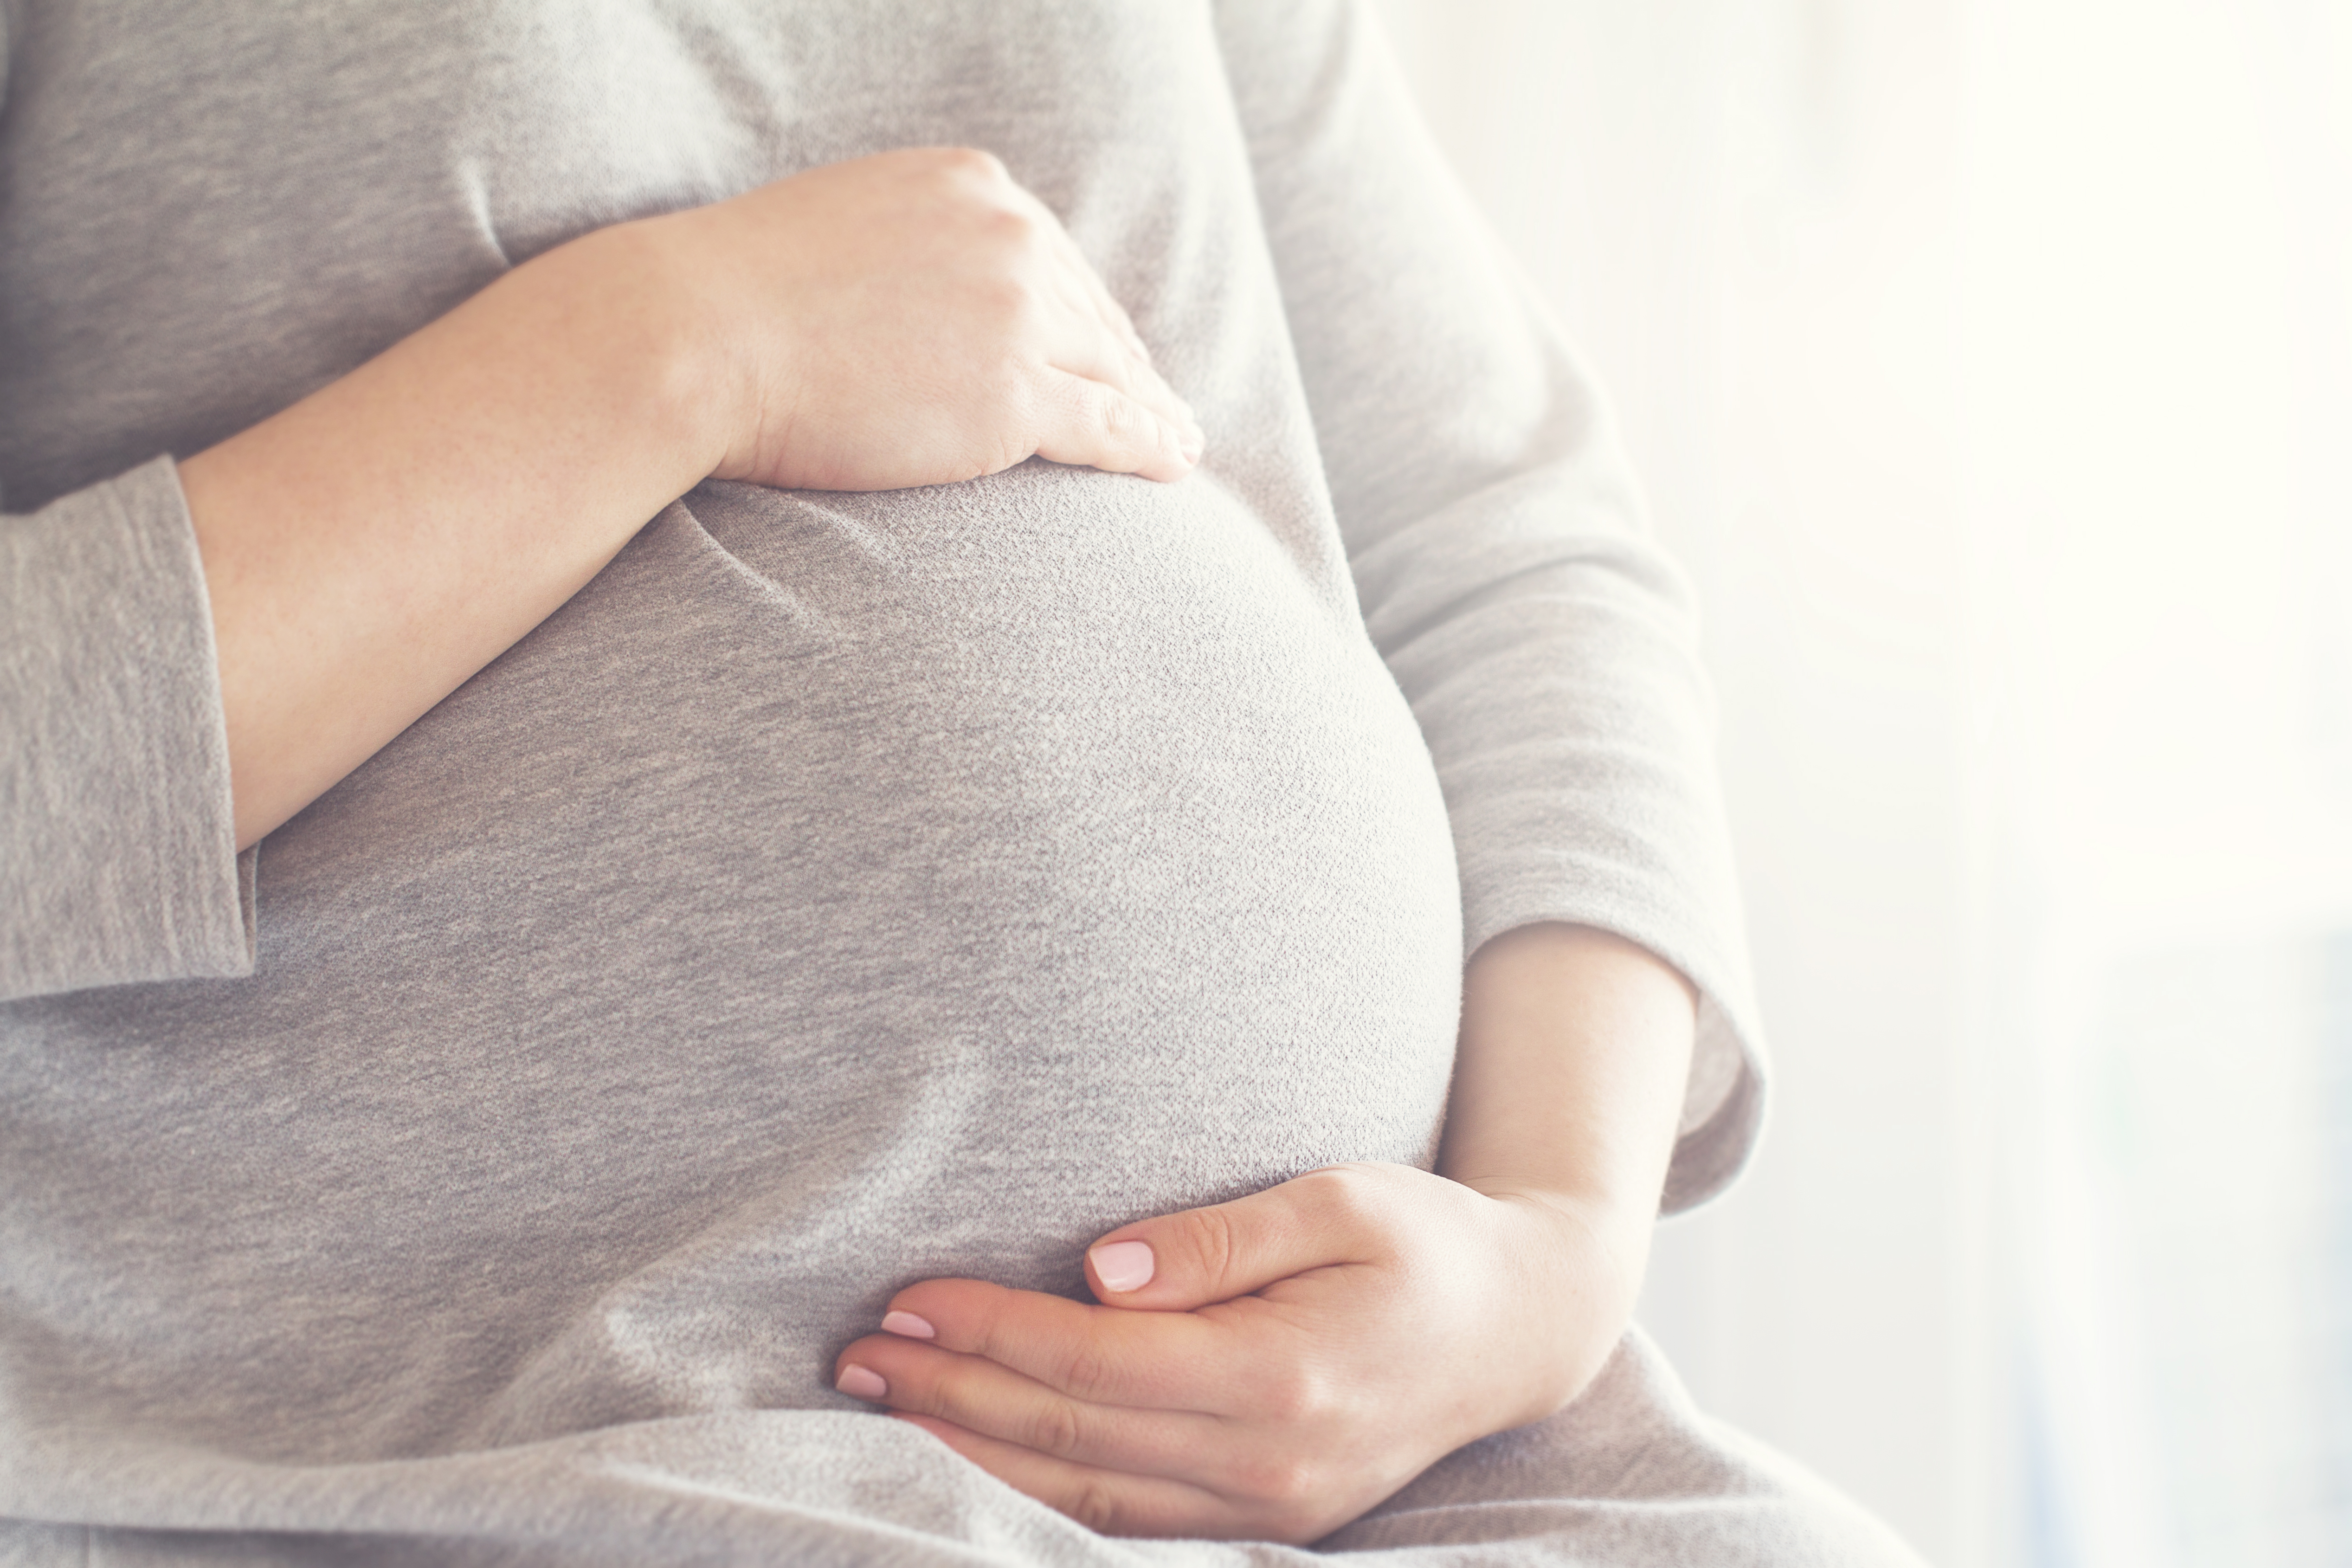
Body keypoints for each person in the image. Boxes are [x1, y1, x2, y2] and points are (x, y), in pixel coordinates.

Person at [0, 0, 1926, 1562]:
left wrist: (1548, 1255)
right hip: (426, 1457)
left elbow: (1509, 545)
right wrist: (679, 346)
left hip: (1413, 1470)